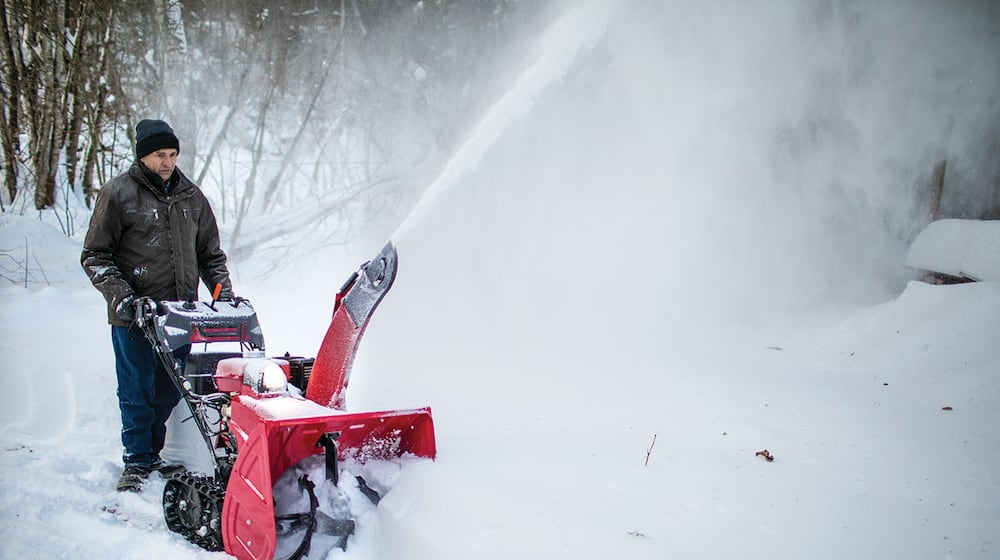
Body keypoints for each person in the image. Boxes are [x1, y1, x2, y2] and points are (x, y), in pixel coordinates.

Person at [81, 119, 234, 492]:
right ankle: (136, 462)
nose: (167, 162)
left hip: (180, 316)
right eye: (159, 155)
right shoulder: (118, 195)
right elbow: (95, 256)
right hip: (133, 316)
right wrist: (125, 298)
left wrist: (222, 295)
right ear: (142, 156)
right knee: (136, 390)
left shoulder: (191, 197)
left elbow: (210, 256)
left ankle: (153, 454)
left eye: (172, 154)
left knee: (168, 390)